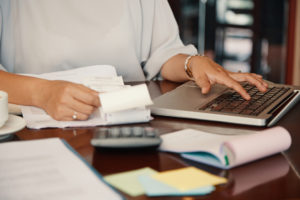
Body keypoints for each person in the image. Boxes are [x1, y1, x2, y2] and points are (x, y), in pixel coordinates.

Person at [0, 0, 267, 121]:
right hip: (36, 130)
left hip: (129, 121)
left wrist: (193, 63)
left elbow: (162, 52)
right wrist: (42, 93)